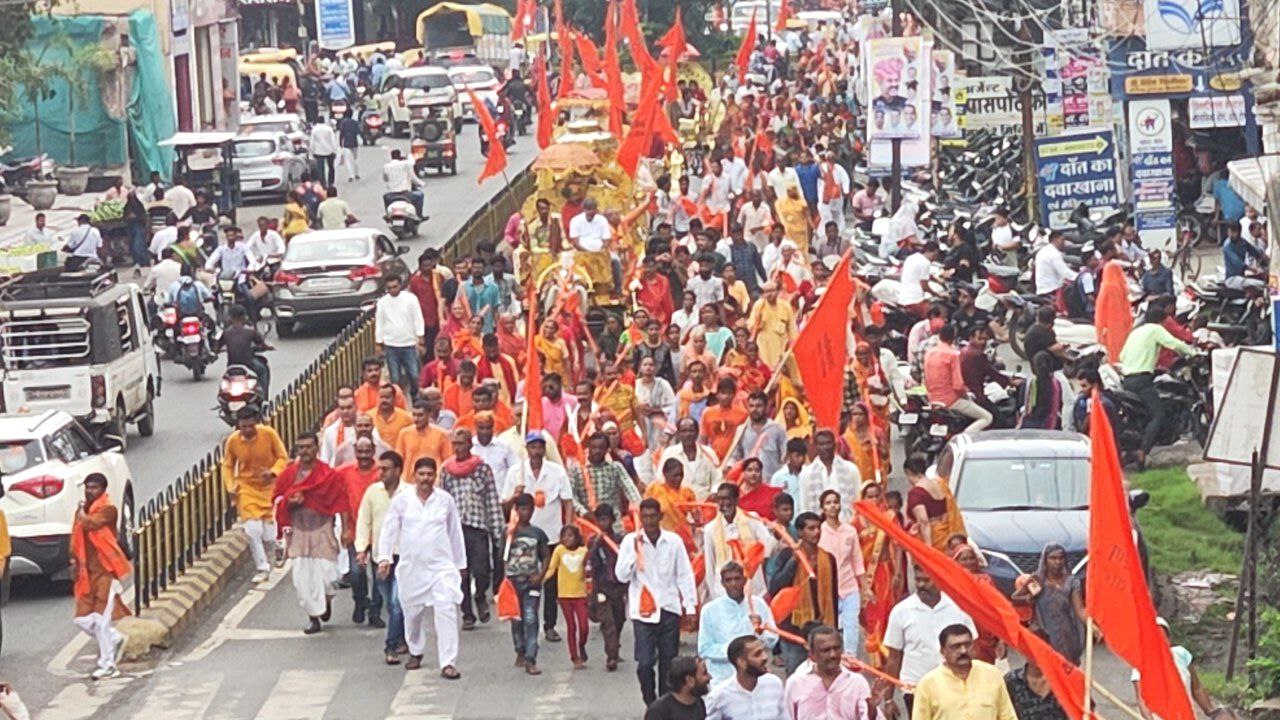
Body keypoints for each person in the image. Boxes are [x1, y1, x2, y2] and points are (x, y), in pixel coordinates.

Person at [377, 457, 466, 679]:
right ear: (414, 475)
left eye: (430, 474)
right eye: (422, 474)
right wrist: (384, 558)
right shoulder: (402, 501)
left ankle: (448, 662)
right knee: (412, 613)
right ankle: (415, 650)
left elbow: (455, 532)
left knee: (446, 609)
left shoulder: (445, 500)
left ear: (435, 476)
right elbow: (389, 530)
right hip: (411, 568)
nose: (426, 479)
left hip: (441, 567)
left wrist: (460, 564)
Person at [616, 498, 699, 706]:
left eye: (653, 516)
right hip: (643, 613)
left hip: (669, 608)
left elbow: (684, 574)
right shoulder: (630, 542)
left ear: (660, 517)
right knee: (644, 664)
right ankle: (650, 702)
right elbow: (621, 576)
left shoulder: (673, 541)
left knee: (669, 664)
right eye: (645, 516)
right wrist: (634, 556)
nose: (649, 521)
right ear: (640, 518)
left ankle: (664, 706)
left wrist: (689, 606)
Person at [273, 432, 351, 635]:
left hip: (322, 529)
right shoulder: (289, 475)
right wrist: (290, 500)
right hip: (298, 532)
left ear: (316, 448)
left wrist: (346, 528)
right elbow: (277, 499)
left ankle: (326, 600)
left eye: (309, 447)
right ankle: (313, 618)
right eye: (301, 447)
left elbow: (341, 501)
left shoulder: (328, 475)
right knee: (303, 580)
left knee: (329, 577)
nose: (305, 451)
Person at [502, 433, 574, 640]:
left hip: (551, 534)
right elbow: (505, 505)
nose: (536, 450)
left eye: (539, 446)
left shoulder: (557, 472)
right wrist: (515, 496)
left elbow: (567, 501)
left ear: (544, 449)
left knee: (550, 582)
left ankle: (549, 625)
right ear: (527, 449)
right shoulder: (516, 472)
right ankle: (524, 621)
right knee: (524, 581)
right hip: (524, 536)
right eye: (532, 446)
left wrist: (567, 528)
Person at [880, 567, 977, 719]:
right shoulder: (901, 611)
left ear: (939, 580)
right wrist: (888, 699)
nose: (921, 585)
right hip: (915, 689)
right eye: (918, 580)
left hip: (954, 687)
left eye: (926, 580)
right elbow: (893, 658)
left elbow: (972, 649)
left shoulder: (958, 607)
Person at [438, 426, 505, 628]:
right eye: (455, 444)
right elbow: (441, 501)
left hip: (478, 526)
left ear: (470, 444)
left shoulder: (482, 468)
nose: (458, 448)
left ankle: (480, 596)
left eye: (461, 443)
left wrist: (497, 529)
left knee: (481, 569)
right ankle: (467, 613)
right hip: (456, 529)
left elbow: (491, 498)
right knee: (461, 571)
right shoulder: (447, 470)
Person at [70, 472, 132, 680]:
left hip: (105, 572)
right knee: (82, 619)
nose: (89, 491)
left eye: (94, 488)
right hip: (86, 574)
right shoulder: (82, 511)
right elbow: (75, 535)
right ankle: (114, 639)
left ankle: (108, 665)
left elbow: (90, 524)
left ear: (103, 490)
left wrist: (81, 512)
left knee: (101, 621)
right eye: (87, 487)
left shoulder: (108, 509)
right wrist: (73, 560)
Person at [1117, 305, 1194, 466]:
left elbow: (1123, 356)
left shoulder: (1136, 332)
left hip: (1127, 380)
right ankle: (1143, 451)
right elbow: (1174, 344)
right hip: (1142, 380)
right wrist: (1193, 353)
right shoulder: (1155, 330)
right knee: (1158, 415)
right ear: (1162, 321)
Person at [221, 407, 289, 582]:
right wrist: (231, 485)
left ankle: (279, 546)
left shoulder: (268, 434)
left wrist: (273, 472)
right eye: (243, 427)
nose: (247, 430)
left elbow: (283, 457)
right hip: (247, 488)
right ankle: (262, 567)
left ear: (256, 423)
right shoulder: (233, 441)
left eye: (251, 426)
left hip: (270, 487)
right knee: (253, 529)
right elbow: (227, 465)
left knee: (269, 534)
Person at [767, 512, 840, 673]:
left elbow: (833, 596)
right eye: (811, 528)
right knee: (796, 675)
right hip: (794, 629)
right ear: (800, 532)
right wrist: (793, 562)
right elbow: (775, 588)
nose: (817, 532)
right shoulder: (787, 555)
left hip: (822, 627)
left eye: (818, 528)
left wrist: (833, 628)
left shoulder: (828, 559)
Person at [355, 450, 407, 662]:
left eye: (386, 469)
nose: (381, 473)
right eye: (380, 468)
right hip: (380, 558)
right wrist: (361, 549)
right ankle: (401, 637)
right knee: (391, 603)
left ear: (398, 470)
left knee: (397, 602)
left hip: (403, 557)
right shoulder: (372, 492)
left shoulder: (409, 494)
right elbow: (363, 521)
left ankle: (390, 647)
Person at [912, 624, 1017, 720]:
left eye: (967, 645)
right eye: (955, 647)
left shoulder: (992, 674)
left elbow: (1007, 716)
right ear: (943, 651)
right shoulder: (928, 684)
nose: (963, 651)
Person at [698, 561, 778, 684]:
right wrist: (736, 652)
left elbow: (772, 640)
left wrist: (760, 632)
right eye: (728, 580)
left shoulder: (758, 604)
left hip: (755, 677)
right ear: (722, 583)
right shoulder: (709, 610)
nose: (733, 584)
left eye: (737, 579)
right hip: (722, 678)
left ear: (744, 580)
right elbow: (704, 649)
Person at [1132, 617, 1225, 720]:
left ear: (1169, 640)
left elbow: (1197, 688)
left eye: (1163, 639)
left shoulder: (1181, 655)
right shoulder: (1140, 666)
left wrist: (1212, 712)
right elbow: (1142, 700)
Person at [1010, 543, 1086, 664]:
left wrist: (1093, 626)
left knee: (1068, 668)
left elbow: (1080, 610)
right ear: (1045, 560)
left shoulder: (1072, 582)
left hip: (1067, 634)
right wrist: (1030, 597)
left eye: (1061, 558)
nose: (1057, 562)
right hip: (1045, 633)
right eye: (1053, 558)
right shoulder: (1037, 580)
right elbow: (1015, 598)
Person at [783, 624, 873, 720]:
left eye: (836, 648)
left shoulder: (857, 683)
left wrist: (872, 709)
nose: (832, 655)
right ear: (812, 654)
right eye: (825, 650)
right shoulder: (796, 683)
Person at [703, 482, 774, 601]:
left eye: (727, 499)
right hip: (723, 591)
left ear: (736, 500)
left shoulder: (751, 520)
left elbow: (768, 545)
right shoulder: (710, 529)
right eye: (720, 499)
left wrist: (752, 560)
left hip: (752, 587)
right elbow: (710, 564)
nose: (723, 503)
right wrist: (714, 594)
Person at [505, 492, 551, 675]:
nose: (526, 513)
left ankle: (531, 658)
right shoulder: (509, 532)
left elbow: (546, 556)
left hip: (531, 582)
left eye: (529, 509)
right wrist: (502, 582)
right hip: (512, 582)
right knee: (516, 619)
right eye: (522, 509)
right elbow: (503, 557)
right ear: (516, 510)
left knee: (531, 618)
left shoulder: (537, 533)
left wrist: (540, 576)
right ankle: (520, 650)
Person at [818, 490, 866, 655]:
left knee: (851, 624)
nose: (833, 506)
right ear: (822, 508)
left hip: (849, 585)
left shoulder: (850, 531)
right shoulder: (819, 531)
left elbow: (857, 560)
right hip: (827, 589)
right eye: (828, 503)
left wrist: (865, 587)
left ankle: (851, 658)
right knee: (829, 627)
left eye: (835, 502)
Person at [924, 325, 993, 433]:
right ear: (953, 338)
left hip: (933, 400)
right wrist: (967, 393)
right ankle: (965, 437)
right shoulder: (953, 355)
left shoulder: (929, 353)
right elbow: (958, 385)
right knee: (987, 417)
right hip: (951, 401)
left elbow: (926, 379)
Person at [705, 635, 787, 719]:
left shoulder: (774, 684)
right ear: (741, 662)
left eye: (763, 651)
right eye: (757, 654)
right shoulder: (719, 696)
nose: (765, 657)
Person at [545, 524, 590, 668]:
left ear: (577, 538)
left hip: (580, 594)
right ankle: (574, 656)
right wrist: (541, 580)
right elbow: (552, 568)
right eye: (564, 536)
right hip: (564, 595)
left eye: (570, 536)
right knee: (572, 626)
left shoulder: (584, 551)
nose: (567, 539)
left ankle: (581, 645)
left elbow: (588, 571)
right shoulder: (559, 550)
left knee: (584, 626)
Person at [376, 274, 425, 399]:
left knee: (414, 375)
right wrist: (378, 342)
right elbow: (380, 323)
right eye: (390, 288)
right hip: (391, 345)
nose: (393, 290)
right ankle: (398, 399)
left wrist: (420, 337)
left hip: (409, 343)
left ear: (400, 285)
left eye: (395, 287)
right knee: (395, 378)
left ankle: (415, 395)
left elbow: (418, 318)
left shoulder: (411, 299)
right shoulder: (382, 302)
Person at [1003, 629, 1069, 720]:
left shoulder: (1064, 679)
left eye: (1043, 651)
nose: (1038, 656)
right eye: (1033, 651)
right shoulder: (1011, 682)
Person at [797, 429, 860, 519]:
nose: (825, 447)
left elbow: (858, 499)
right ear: (815, 447)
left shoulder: (850, 469)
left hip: (847, 524)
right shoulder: (807, 474)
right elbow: (804, 505)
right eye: (821, 444)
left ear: (835, 445)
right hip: (819, 527)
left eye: (828, 443)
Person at [215, 305, 272, 395]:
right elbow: (262, 343)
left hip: (231, 365)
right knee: (263, 371)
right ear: (244, 317)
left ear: (230, 317)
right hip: (248, 363)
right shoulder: (250, 331)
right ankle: (264, 396)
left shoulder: (226, 333)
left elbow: (216, 348)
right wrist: (268, 347)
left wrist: (216, 351)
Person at [645, 656, 713, 720]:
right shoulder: (658, 711)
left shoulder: (699, 704)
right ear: (690, 680)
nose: (709, 677)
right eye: (704, 673)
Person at [383, 149, 426, 219]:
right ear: (399, 156)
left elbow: (385, 179)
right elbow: (413, 178)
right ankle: (419, 215)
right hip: (406, 194)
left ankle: (388, 214)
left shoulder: (386, 166)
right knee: (420, 195)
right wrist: (422, 184)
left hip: (392, 195)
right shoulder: (406, 164)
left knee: (385, 197)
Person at [310, 119, 338, 186]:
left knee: (320, 169)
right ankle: (331, 182)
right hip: (329, 150)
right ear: (324, 121)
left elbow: (312, 141)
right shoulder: (329, 129)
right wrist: (334, 150)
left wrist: (312, 151)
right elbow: (333, 140)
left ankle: (323, 183)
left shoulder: (314, 130)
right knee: (331, 167)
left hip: (318, 151)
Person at [336, 112, 360, 182]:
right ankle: (356, 173)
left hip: (347, 144)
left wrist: (340, 143)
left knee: (348, 160)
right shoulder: (354, 122)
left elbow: (341, 134)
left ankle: (351, 176)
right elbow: (358, 131)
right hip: (355, 143)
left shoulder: (343, 122)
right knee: (355, 159)